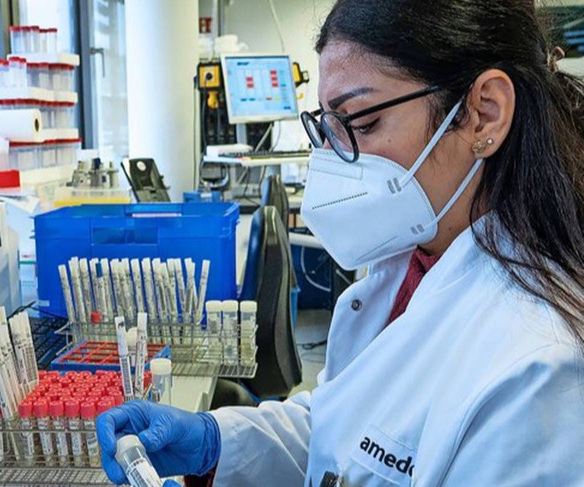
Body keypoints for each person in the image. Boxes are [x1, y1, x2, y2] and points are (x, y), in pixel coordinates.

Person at [97, 0, 584, 485]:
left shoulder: (538, 372)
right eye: (326, 127)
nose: (331, 159)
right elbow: (343, 430)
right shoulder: (410, 265)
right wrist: (216, 444)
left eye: (361, 122)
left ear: (484, 115)